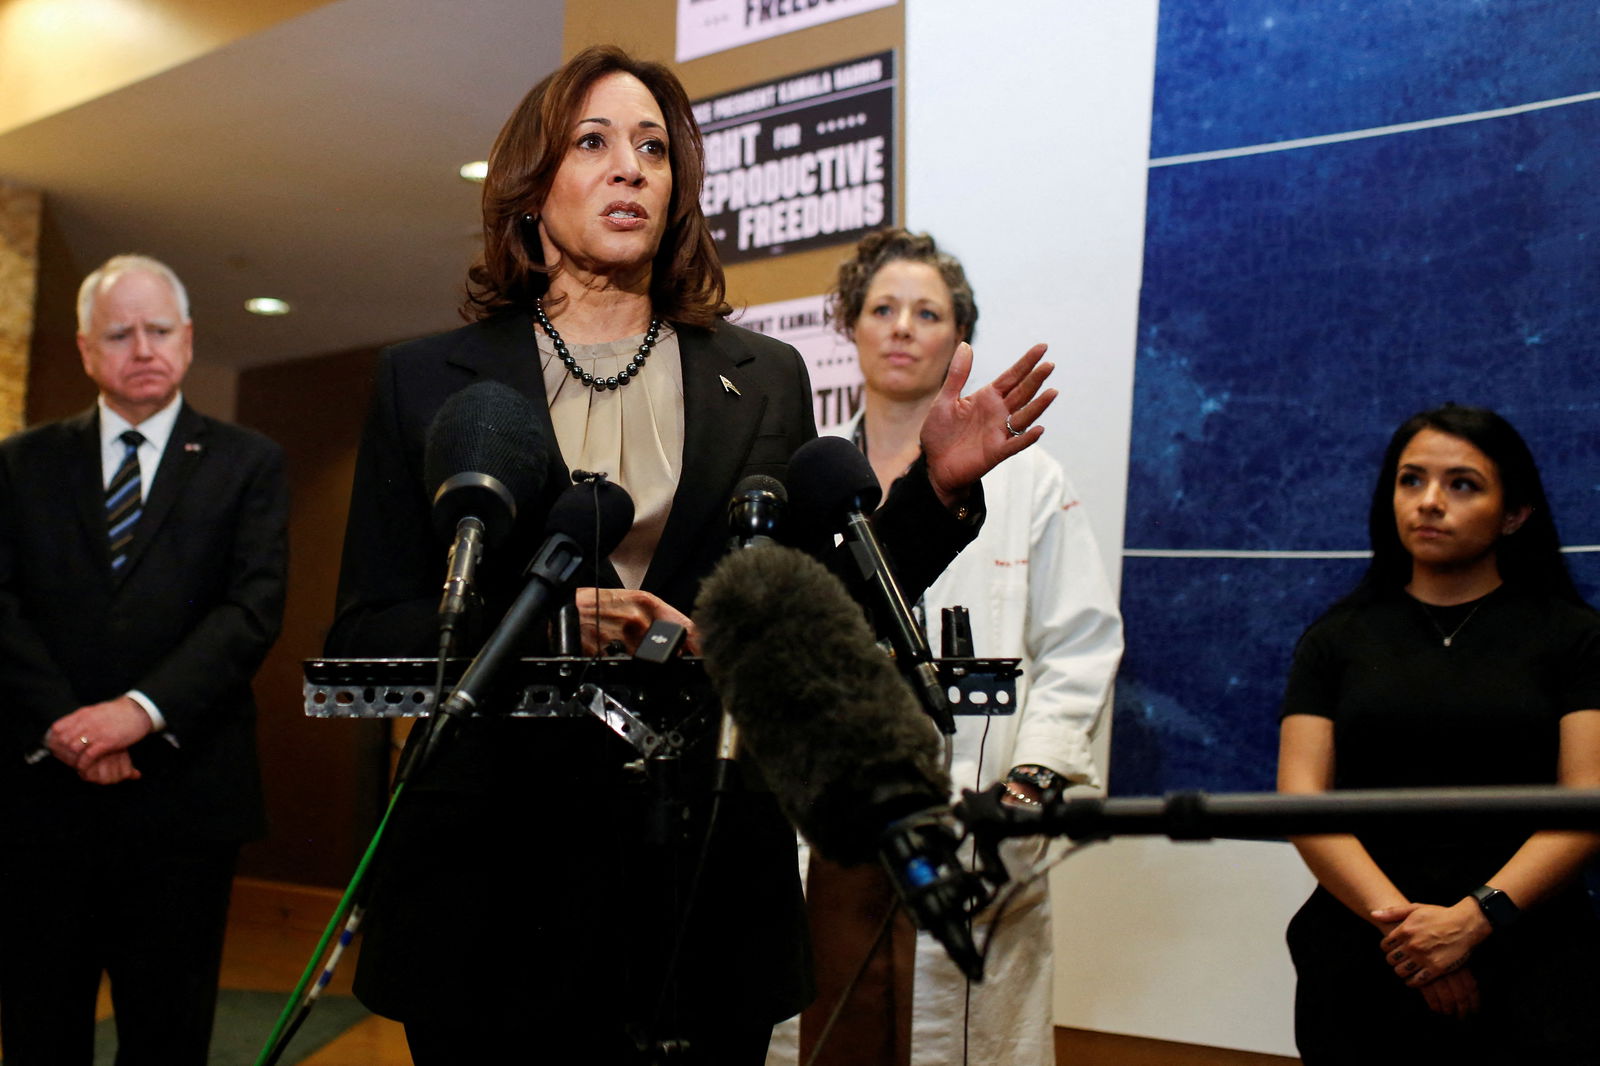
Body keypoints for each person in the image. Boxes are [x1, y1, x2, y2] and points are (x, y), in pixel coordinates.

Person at [325, 47, 1056, 1065]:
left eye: (653, 148)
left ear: (677, 193)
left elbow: (813, 616)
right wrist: (551, 623)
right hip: (490, 884)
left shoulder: (761, 376)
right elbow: (370, 633)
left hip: (704, 879)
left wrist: (932, 490)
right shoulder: (425, 380)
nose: (629, 167)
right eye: (592, 142)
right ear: (532, 189)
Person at [771, 229, 1122, 1066]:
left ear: (957, 337)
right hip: (821, 838)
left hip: (975, 828)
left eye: (926, 312)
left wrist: (1035, 782)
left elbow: (1078, 647)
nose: (900, 327)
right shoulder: (803, 478)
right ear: (850, 327)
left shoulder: (1028, 481)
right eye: (881, 308)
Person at [0, 254, 289, 1065]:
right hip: (39, 802)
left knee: (169, 1033)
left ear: (189, 341)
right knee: (34, 1025)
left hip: (184, 801)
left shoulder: (248, 464)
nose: (142, 347)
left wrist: (137, 714)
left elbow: (251, 610)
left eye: (158, 329)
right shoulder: (19, 465)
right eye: (119, 333)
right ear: (88, 351)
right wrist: (68, 725)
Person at [1277, 404, 1600, 1061]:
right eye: (1411, 480)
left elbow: (1587, 801)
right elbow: (1302, 803)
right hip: (1363, 957)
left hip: (1529, 955)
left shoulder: (1573, 639)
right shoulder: (1335, 639)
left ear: (1515, 514)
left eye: (1462, 484)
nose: (1428, 503)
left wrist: (1473, 921)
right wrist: (1412, 939)